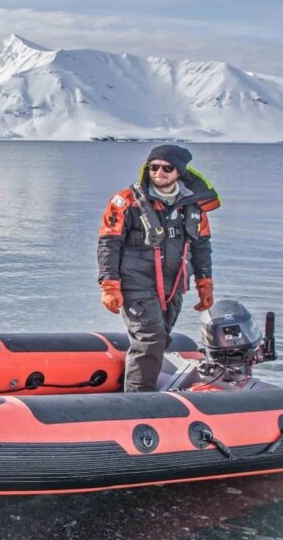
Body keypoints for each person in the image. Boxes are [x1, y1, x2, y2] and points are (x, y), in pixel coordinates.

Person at [97, 145, 219, 392]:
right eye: (154, 167)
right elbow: (109, 244)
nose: (159, 173)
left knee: (160, 339)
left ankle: (134, 389)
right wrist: (109, 285)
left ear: (180, 172)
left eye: (167, 168)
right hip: (135, 284)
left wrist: (204, 285)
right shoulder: (126, 202)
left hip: (173, 287)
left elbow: (201, 246)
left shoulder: (193, 207)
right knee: (149, 340)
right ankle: (138, 401)